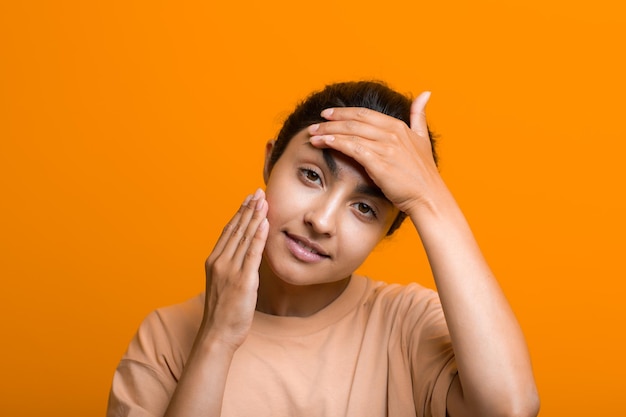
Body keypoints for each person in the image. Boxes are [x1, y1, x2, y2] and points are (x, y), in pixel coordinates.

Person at [107, 81, 540, 417]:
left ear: (388, 230)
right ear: (270, 161)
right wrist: (216, 339)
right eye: (312, 176)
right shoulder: (165, 339)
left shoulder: (407, 325)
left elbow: (510, 407)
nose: (322, 221)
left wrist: (428, 197)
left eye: (365, 208)